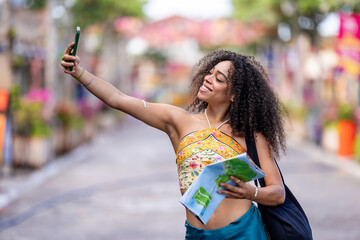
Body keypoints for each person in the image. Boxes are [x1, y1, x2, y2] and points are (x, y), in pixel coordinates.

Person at [61, 42, 287, 240]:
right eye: (210, 72)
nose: (208, 78)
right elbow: (118, 99)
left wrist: (250, 193)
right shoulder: (179, 121)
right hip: (197, 235)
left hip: (244, 233)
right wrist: (79, 72)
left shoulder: (249, 134)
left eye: (219, 78)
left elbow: (278, 193)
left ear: (234, 95)